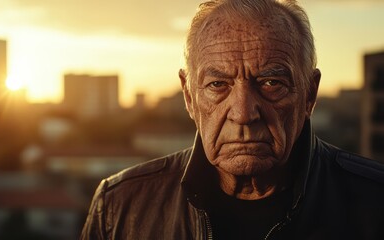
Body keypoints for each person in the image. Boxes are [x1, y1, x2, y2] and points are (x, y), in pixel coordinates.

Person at [81, 0, 384, 239]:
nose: (242, 113)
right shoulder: (120, 207)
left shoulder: (375, 201)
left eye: (270, 83)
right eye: (217, 85)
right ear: (189, 96)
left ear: (309, 94)